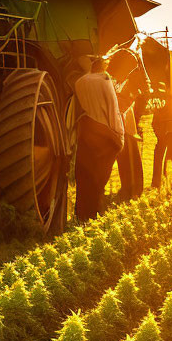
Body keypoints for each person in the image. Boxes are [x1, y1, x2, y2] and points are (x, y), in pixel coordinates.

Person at [74, 57, 124, 221]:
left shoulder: (80, 82)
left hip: (86, 129)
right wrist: (119, 134)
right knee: (100, 176)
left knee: (85, 174)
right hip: (103, 131)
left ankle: (82, 214)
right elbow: (113, 107)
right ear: (103, 65)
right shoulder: (104, 79)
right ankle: (95, 213)